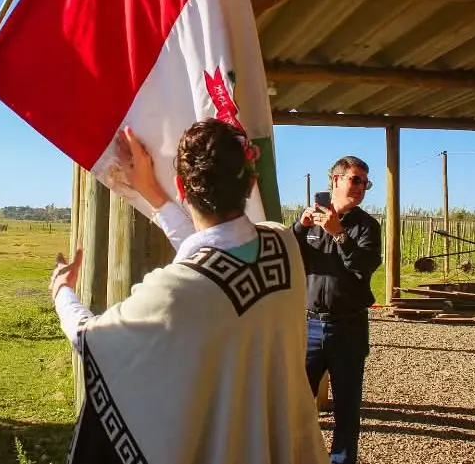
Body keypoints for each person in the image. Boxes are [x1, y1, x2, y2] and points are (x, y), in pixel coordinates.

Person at [50, 121, 328, 464]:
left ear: (182, 186)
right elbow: (213, 255)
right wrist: (151, 192)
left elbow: (89, 337)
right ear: (251, 183)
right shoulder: (283, 245)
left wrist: (62, 290)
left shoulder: (176, 290)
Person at [294, 157, 382, 464]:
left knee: (346, 410)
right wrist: (298, 227)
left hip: (348, 328)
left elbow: (363, 267)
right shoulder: (311, 222)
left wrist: (339, 234)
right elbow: (289, 258)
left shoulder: (367, 226)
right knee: (295, 405)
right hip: (310, 326)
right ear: (336, 180)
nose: (361, 188)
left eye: (365, 183)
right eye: (355, 180)